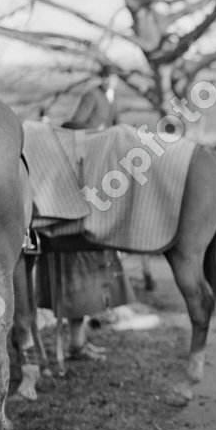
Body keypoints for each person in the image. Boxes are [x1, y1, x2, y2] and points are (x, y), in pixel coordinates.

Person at [40, 64, 133, 361]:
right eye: (106, 76)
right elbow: (76, 123)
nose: (109, 80)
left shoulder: (112, 97)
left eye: (113, 76)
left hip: (104, 154)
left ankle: (79, 342)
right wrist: (99, 135)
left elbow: (118, 124)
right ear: (102, 78)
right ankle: (75, 343)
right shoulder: (92, 95)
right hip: (89, 148)